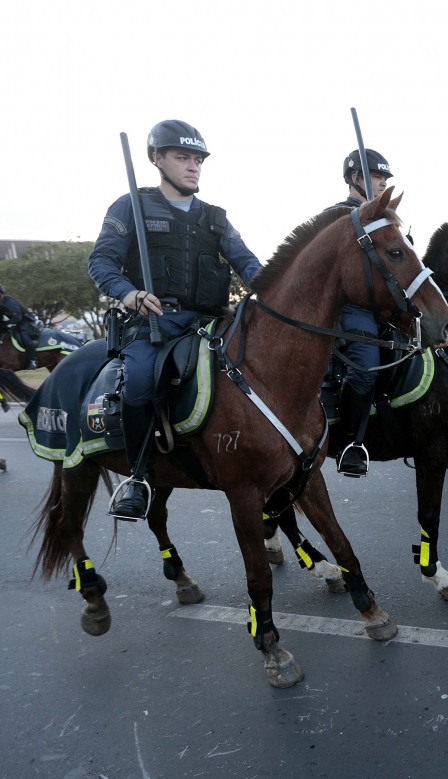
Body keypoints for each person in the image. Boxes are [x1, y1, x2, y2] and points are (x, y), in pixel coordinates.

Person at [87, 120, 261, 520]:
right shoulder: (130, 205)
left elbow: (248, 263)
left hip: (210, 322)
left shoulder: (216, 217)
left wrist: (269, 289)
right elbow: (101, 261)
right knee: (143, 381)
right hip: (155, 322)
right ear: (157, 159)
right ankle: (139, 476)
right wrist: (129, 293)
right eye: (183, 157)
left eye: (197, 159)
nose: (193, 166)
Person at [327, 148, 393, 476]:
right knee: (366, 367)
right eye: (377, 177)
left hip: (390, 306)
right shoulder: (336, 216)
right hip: (354, 308)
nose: (383, 183)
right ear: (356, 178)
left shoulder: (386, 218)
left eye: (384, 178)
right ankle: (349, 443)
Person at [0, 283, 41, 367]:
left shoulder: (10, 302)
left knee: (25, 337)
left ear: (0, 293)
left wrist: (7, 324)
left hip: (25, 321)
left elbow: (18, 317)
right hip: (15, 322)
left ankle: (32, 361)